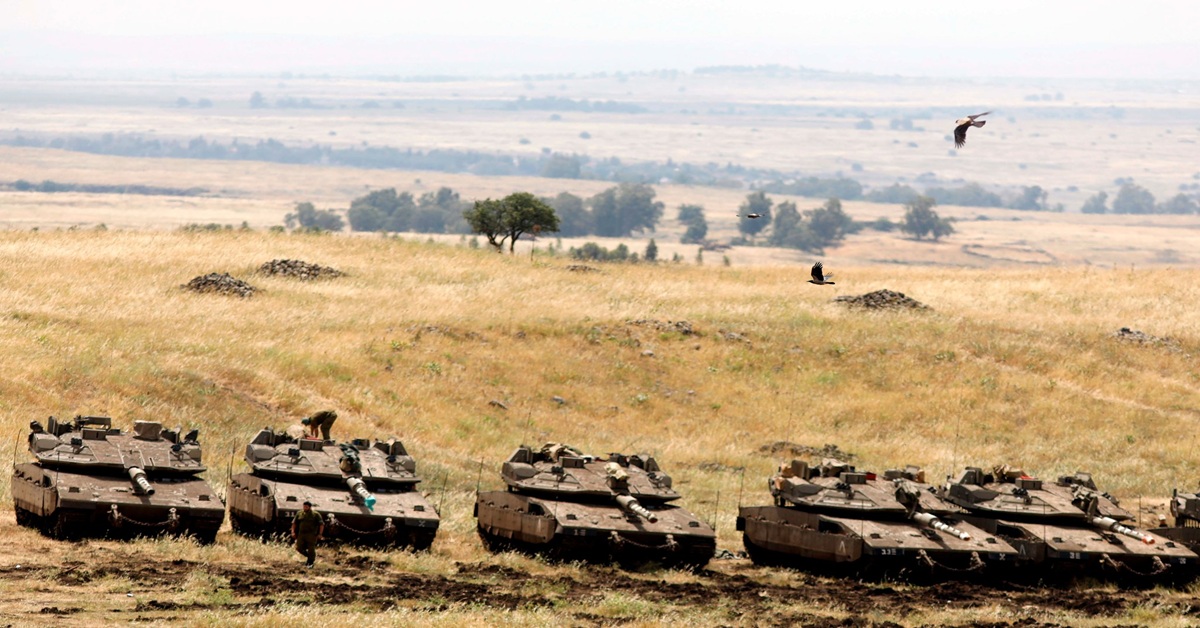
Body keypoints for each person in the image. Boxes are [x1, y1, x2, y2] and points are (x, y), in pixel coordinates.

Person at [291, 500, 324, 568]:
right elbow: (294, 523)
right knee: (299, 547)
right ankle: (309, 556)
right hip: (301, 534)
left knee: (311, 548)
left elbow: (321, 524)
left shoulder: (315, 514)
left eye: (306, 507)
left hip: (311, 534)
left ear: (309, 507)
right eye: (304, 506)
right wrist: (293, 532)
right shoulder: (299, 513)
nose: (305, 508)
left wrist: (320, 534)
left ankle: (310, 562)